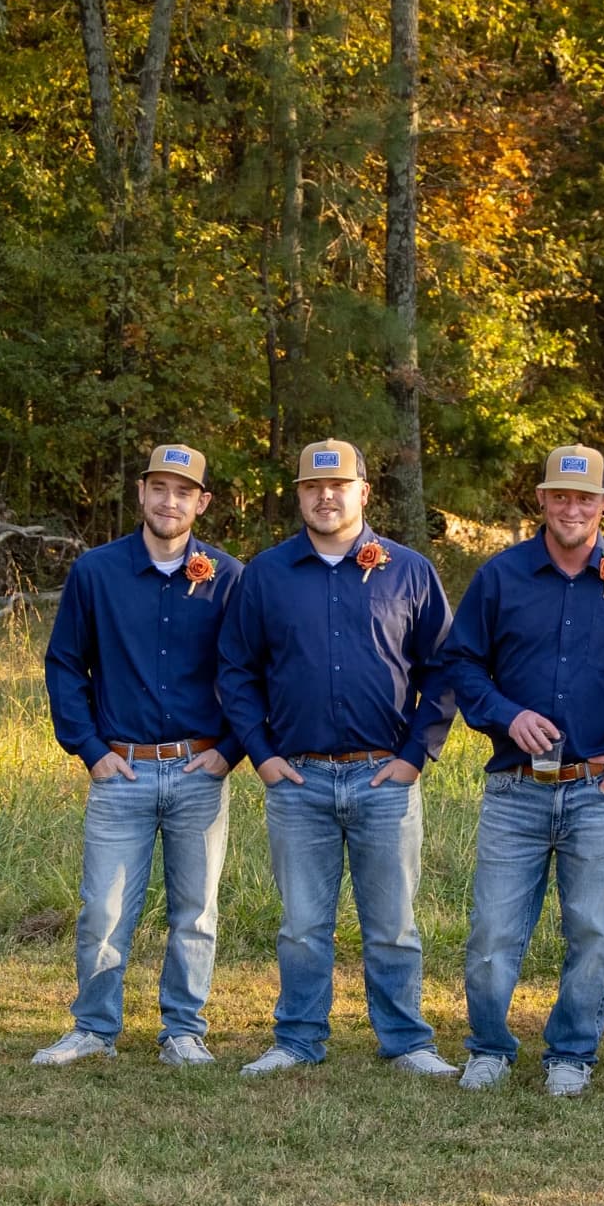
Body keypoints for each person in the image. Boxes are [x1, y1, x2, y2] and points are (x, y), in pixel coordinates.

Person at [215, 440, 458, 1078]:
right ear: (298, 495)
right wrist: (263, 757)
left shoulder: (408, 570)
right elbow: (236, 672)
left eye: (340, 486)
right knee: (301, 926)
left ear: (363, 491)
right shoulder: (264, 575)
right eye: (313, 488)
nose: (327, 497)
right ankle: (297, 1039)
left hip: (385, 776)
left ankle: (406, 1042)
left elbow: (445, 668)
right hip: (297, 778)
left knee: (393, 925)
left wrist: (415, 755)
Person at [436, 444, 604, 1096]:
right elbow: (463, 666)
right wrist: (507, 716)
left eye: (584, 498)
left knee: (592, 929)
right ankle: (489, 1045)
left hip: (598, 786)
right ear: (540, 499)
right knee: (491, 933)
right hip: (516, 788)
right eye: (559, 496)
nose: (571, 508)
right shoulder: (501, 576)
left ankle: (572, 1052)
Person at [33, 443, 242, 1068]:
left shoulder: (229, 577)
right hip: (119, 768)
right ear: (141, 494)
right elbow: (66, 665)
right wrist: (90, 750)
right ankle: (94, 1027)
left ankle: (184, 1030)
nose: (169, 501)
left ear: (201, 502)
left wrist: (229, 750)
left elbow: (250, 672)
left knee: (196, 910)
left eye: (183, 492)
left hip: (199, 769)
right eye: (159, 488)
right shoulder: (96, 572)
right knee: (103, 907)